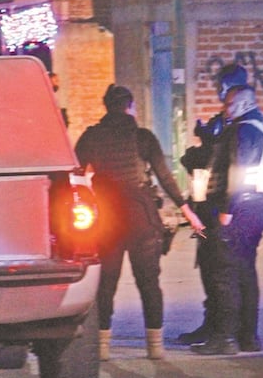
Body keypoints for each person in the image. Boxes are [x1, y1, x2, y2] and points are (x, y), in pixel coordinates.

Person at [75, 85, 205, 361]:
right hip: (140, 217)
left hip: (107, 219)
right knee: (149, 282)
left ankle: (102, 347)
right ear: (129, 106)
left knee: (106, 283)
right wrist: (188, 212)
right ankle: (155, 346)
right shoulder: (142, 137)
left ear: (106, 106)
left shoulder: (91, 137)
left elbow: (75, 175)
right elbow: (164, 176)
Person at [191, 83, 263, 355]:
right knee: (245, 272)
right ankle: (248, 337)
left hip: (238, 207)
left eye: (229, 103)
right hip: (257, 205)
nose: (225, 108)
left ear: (243, 103)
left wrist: (227, 211)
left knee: (225, 272)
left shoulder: (244, 130)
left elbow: (239, 171)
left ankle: (224, 338)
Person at [176, 63, 248, 345]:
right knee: (209, 265)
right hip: (205, 210)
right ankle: (213, 323)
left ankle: (226, 330)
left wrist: (204, 146)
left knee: (221, 270)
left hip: (219, 209)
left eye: (224, 85)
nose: (219, 91)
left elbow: (212, 163)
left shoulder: (235, 124)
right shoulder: (223, 122)